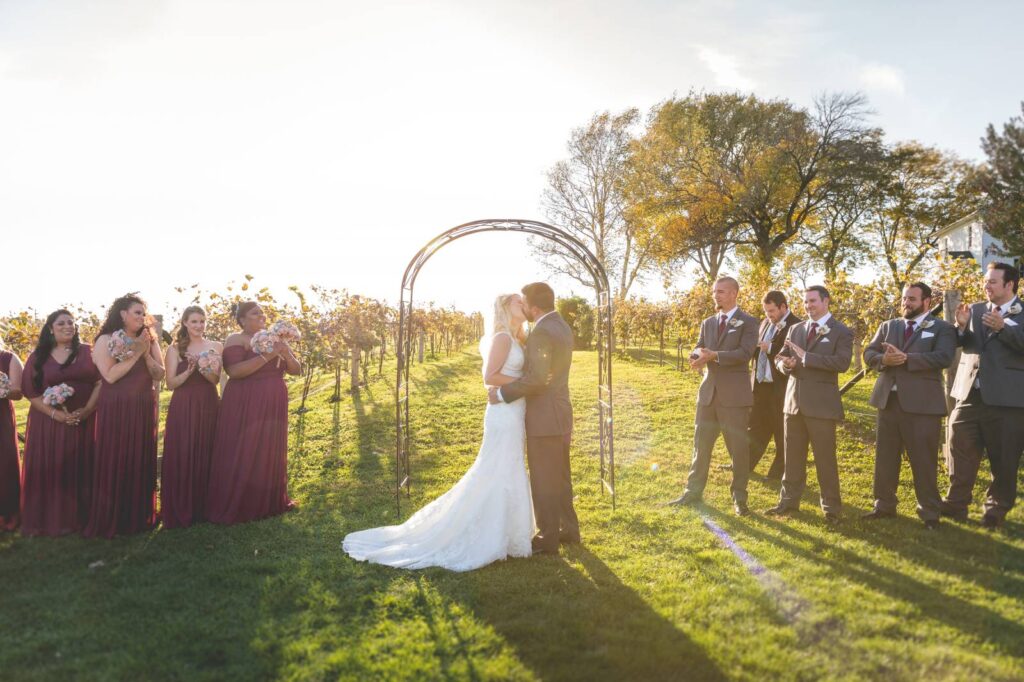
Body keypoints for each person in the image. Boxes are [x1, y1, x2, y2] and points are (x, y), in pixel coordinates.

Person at [344, 294, 534, 570]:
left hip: (514, 409)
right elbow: (489, 376)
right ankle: (488, 532)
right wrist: (525, 382)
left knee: (511, 464)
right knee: (498, 466)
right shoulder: (503, 338)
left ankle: (510, 532)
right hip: (503, 414)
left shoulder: (518, 338)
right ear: (506, 308)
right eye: (518, 301)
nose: (523, 304)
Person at [490, 282, 579, 554]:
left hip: (545, 417)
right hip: (560, 412)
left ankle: (547, 537)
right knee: (561, 476)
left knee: (544, 479)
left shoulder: (541, 332)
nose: (524, 307)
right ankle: (569, 530)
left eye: (525, 303)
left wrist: (504, 393)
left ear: (535, 307)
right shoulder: (560, 324)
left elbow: (539, 379)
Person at [862, 283, 956, 529]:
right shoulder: (888, 326)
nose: (906, 303)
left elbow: (944, 357)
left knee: (923, 461)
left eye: (912, 299)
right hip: (888, 402)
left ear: (926, 301)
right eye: (904, 299)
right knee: (885, 458)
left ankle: (930, 513)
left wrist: (906, 359)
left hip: (923, 406)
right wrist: (883, 359)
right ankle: (883, 506)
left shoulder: (942, 328)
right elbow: (868, 353)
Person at [667, 276, 758, 515]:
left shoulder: (748, 322)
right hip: (708, 395)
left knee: (738, 449)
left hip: (734, 397)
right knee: (701, 446)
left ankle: (740, 499)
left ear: (734, 293)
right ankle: (692, 492)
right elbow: (699, 345)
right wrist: (695, 357)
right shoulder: (708, 322)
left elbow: (745, 353)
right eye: (714, 292)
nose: (716, 295)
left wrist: (714, 355)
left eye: (721, 291)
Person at [943, 261, 1024, 529]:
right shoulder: (976, 309)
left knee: (1004, 458)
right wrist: (962, 327)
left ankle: (995, 509)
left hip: (1007, 400)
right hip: (968, 394)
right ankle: (956, 504)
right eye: (985, 281)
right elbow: (964, 344)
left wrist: (1004, 328)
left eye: (991, 281)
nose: (985, 286)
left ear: (1009, 284)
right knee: (959, 448)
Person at [206, 302, 300, 525]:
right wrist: (268, 355)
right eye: (255, 313)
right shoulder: (235, 340)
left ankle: (267, 502)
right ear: (242, 320)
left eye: (262, 312)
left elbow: (297, 370)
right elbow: (235, 371)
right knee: (243, 447)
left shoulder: (276, 339)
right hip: (244, 401)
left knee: (268, 447)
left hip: (273, 400)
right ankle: (241, 502)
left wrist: (285, 352)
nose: (261, 315)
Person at [767, 285, 853, 525]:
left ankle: (831, 510)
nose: (808, 306)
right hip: (793, 403)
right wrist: (786, 365)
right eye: (805, 302)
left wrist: (806, 357)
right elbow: (780, 358)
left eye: (813, 301)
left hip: (822, 406)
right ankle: (788, 503)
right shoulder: (795, 329)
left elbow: (842, 363)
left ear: (826, 301)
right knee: (792, 457)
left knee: (825, 459)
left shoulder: (841, 331)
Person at [85, 293, 165, 538]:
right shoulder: (105, 340)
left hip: (142, 403)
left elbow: (160, 374)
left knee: (140, 454)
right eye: (137, 313)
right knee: (116, 454)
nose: (142, 317)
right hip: (117, 405)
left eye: (143, 313)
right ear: (122, 314)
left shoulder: (148, 339)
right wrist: (135, 353)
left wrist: (146, 351)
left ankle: (139, 515)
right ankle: (114, 517)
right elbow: (110, 376)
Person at [20, 310, 101, 536]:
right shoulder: (37, 357)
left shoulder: (87, 352)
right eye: (61, 323)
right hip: (49, 423)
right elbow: (31, 393)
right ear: (50, 328)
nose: (68, 326)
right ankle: (52, 518)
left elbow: (99, 383)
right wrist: (57, 415)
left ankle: (82, 517)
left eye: (71, 323)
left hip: (83, 420)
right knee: (53, 465)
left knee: (81, 464)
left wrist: (86, 410)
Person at [161, 306, 222, 529]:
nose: (199, 326)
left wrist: (203, 366)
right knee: (184, 450)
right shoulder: (175, 349)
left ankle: (205, 506)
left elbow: (214, 380)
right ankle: (182, 507)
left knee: (207, 447)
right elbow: (170, 384)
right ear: (185, 323)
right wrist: (188, 370)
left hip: (207, 401)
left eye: (202, 321)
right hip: (184, 403)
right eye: (194, 321)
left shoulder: (215, 346)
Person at [748, 290, 801, 480]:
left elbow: (794, 354)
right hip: (761, 385)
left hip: (781, 387)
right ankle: (747, 464)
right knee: (755, 426)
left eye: (771, 311)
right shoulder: (764, 323)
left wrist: (770, 348)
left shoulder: (797, 325)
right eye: (766, 311)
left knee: (781, 430)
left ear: (783, 307)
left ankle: (777, 473)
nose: (768, 315)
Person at [0, 345, 23, 531]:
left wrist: (2, 390)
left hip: (1, 417)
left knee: (4, 461)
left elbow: (18, 392)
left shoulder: (8, 358)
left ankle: (8, 511)